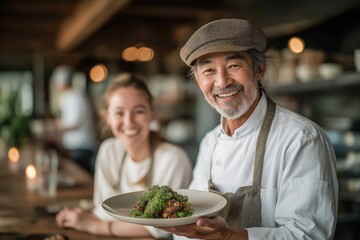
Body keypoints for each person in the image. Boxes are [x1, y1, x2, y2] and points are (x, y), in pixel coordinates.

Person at [161, 19, 338, 240]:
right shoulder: (210, 142)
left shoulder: (300, 139)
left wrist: (228, 236)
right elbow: (191, 222)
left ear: (259, 69)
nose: (222, 82)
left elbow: (307, 236)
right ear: (198, 81)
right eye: (208, 70)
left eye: (234, 66)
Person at [56, 73, 193, 239]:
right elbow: (103, 210)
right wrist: (81, 217)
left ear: (152, 114)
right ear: (107, 117)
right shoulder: (109, 150)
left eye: (138, 111)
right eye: (119, 113)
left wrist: (93, 225)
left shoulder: (172, 159)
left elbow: (160, 228)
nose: (129, 122)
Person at [53, 65, 98, 174]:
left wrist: (57, 125)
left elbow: (74, 122)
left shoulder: (73, 97)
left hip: (81, 147)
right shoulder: (73, 95)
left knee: (82, 177)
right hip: (79, 146)